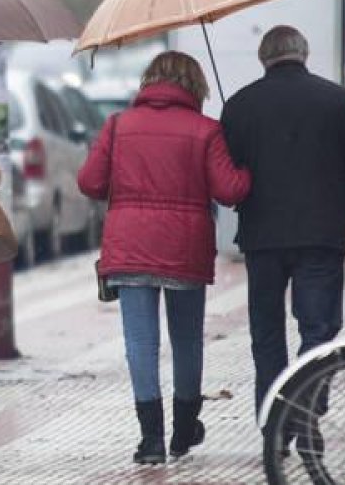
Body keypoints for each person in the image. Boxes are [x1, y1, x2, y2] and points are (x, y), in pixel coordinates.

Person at [77, 51, 251, 464]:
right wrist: (246, 169)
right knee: (187, 339)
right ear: (196, 85)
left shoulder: (118, 126)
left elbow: (89, 182)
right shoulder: (206, 130)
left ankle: (150, 440)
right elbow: (230, 190)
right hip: (184, 249)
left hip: (130, 246)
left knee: (141, 343)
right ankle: (184, 430)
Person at [219, 25, 345, 419]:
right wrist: (343, 205)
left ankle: (272, 420)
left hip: (262, 238)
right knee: (318, 329)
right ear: (303, 53)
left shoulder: (240, 106)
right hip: (321, 234)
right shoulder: (337, 101)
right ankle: (307, 409)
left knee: (267, 334)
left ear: (264, 59)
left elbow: (227, 174)